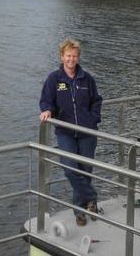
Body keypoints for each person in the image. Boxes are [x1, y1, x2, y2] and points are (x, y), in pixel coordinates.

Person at [39, 39, 103, 227]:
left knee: (85, 170)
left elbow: (97, 100)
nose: (71, 59)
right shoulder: (54, 79)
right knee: (70, 169)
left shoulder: (87, 79)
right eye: (68, 55)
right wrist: (47, 110)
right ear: (62, 56)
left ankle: (80, 212)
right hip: (65, 131)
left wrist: (93, 119)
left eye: (74, 56)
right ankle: (91, 197)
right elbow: (46, 100)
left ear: (78, 57)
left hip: (87, 132)